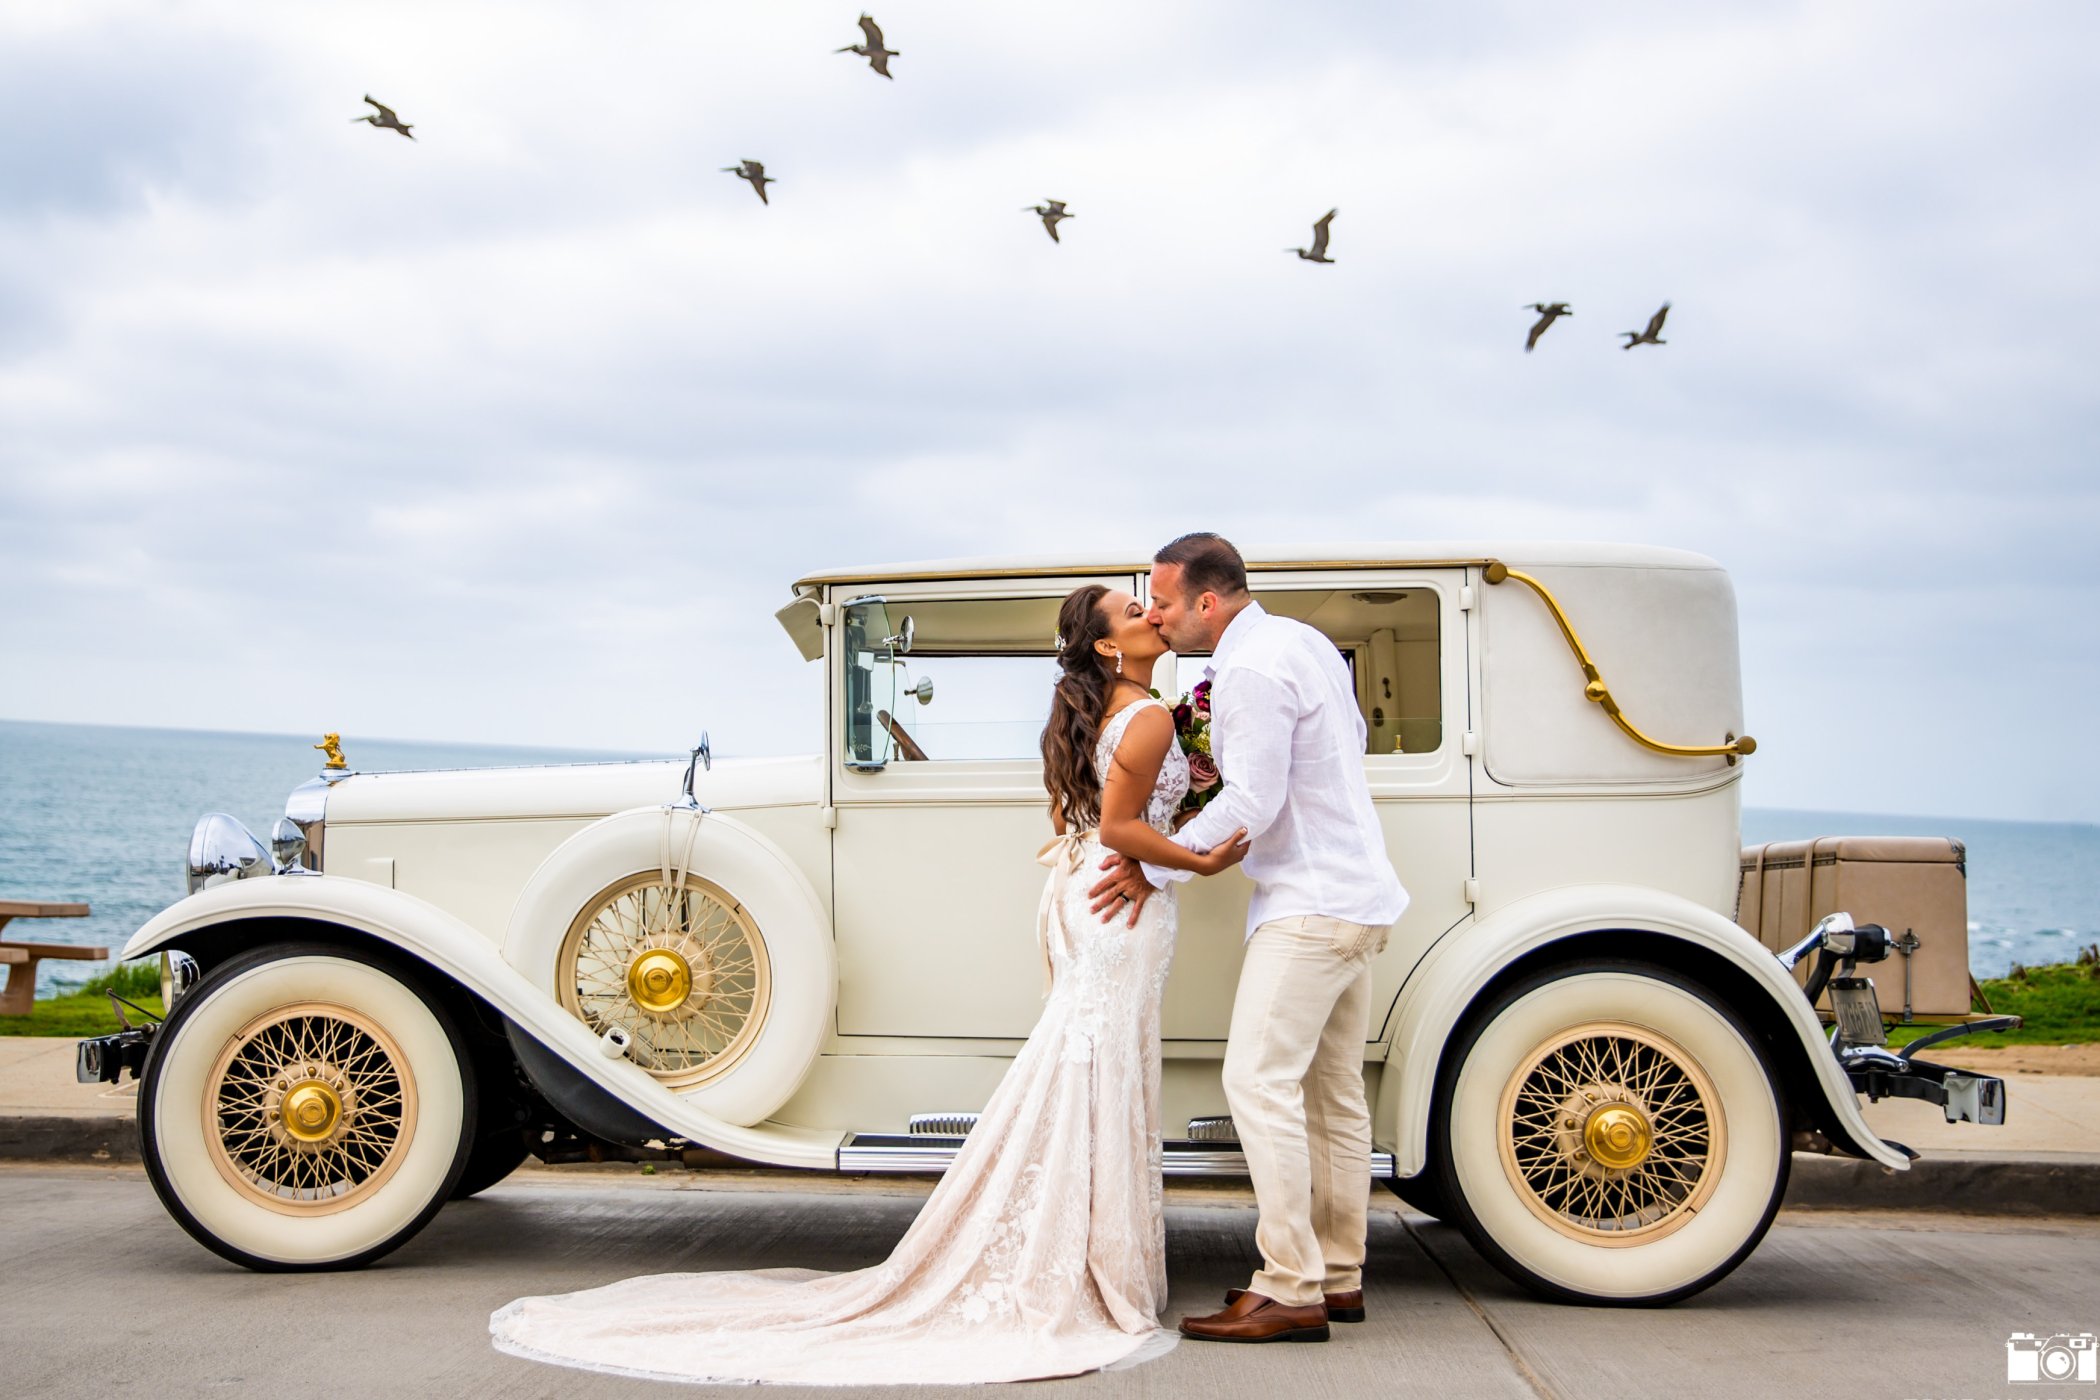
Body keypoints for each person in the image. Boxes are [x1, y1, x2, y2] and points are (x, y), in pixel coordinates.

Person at [489, 583, 1248, 1385]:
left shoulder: (1093, 711)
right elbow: (1127, 828)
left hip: (1080, 890)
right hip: (1119, 902)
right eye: (1133, 615)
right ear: (1105, 646)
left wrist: (1134, 839)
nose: (1150, 617)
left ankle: (1081, 1242)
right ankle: (1098, 1256)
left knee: (1084, 1062)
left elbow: (1075, 821)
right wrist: (1197, 860)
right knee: (1102, 1065)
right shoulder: (1155, 715)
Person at [1089, 532, 1408, 1344]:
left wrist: (1151, 867)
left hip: (1308, 905)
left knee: (1258, 1084)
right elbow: (1348, 752)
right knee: (1331, 1095)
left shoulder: (1249, 668)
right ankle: (1337, 1276)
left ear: (1207, 600)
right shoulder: (1299, 642)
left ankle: (1289, 1285)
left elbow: (1255, 800)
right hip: (1357, 896)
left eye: (1162, 602)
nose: (1155, 616)